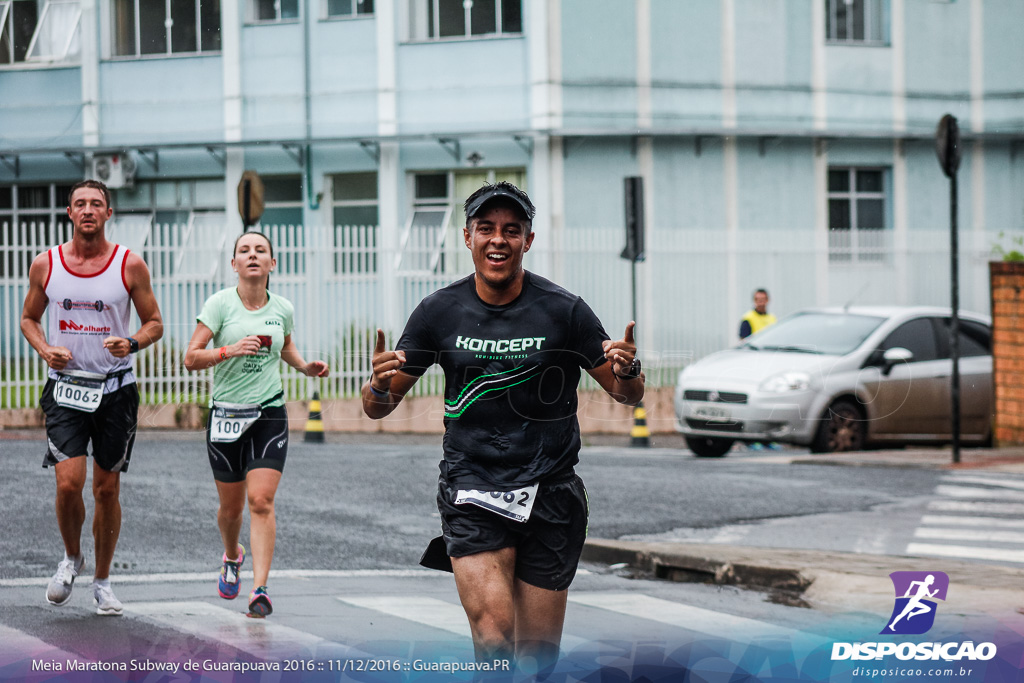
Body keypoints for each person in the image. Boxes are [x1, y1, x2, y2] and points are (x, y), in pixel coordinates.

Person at [361, 181, 645, 671]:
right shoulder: (438, 311)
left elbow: (626, 395)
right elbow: (378, 407)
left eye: (511, 230)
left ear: (528, 240)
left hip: (550, 491)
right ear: (467, 236)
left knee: (537, 660)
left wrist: (628, 372)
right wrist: (379, 386)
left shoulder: (564, 311)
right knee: (494, 640)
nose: (498, 240)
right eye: (486, 229)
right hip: (473, 487)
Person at [19, 179, 164, 616]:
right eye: (80, 203)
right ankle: (70, 558)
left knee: (106, 489)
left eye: (95, 204)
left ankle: (102, 581)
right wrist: (45, 349)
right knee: (68, 484)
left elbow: (154, 322)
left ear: (108, 213)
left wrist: (132, 343)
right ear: (69, 213)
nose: (87, 210)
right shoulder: (47, 264)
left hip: (115, 392)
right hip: (65, 389)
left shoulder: (129, 265)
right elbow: (28, 318)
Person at [183, 231, 329, 618]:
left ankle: (260, 589)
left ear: (271, 263)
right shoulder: (218, 305)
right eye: (244, 251)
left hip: (268, 413)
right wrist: (228, 350)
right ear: (234, 264)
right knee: (230, 511)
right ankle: (232, 555)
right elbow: (191, 358)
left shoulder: (282, 307)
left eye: (260, 250)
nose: (252, 255)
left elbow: (285, 347)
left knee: (261, 501)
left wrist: (303, 366)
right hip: (226, 415)